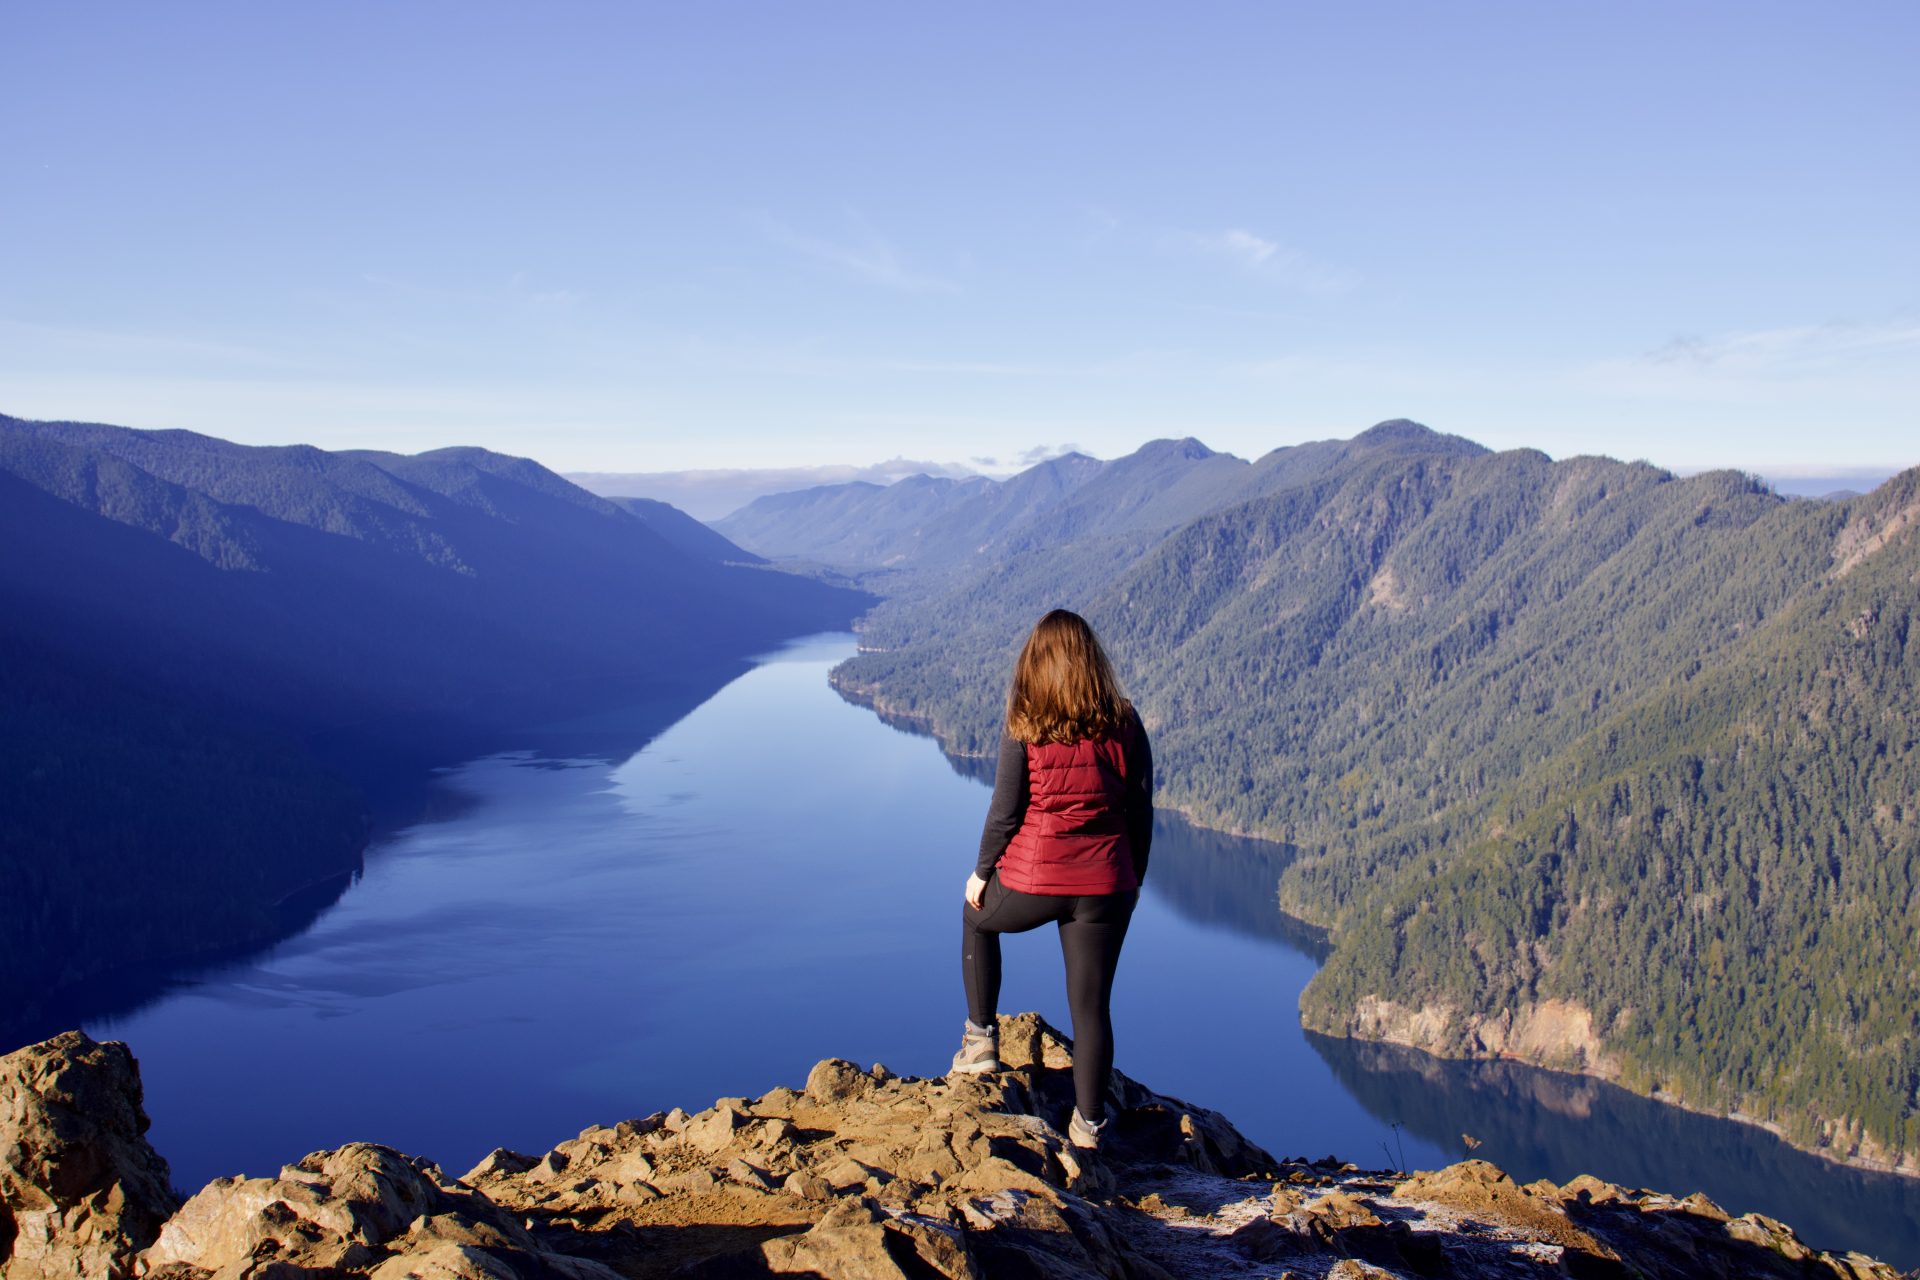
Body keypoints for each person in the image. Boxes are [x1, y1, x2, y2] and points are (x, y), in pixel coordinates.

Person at [950, 608, 1152, 1151]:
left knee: (976, 917)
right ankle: (1089, 1130)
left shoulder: (1026, 721)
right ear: (1092, 661)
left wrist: (981, 871)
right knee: (1091, 1009)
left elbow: (1005, 813)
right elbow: (1140, 811)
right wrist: (1132, 880)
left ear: (1035, 662)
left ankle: (980, 1042)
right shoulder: (1125, 721)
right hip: (1107, 884)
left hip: (1036, 881)